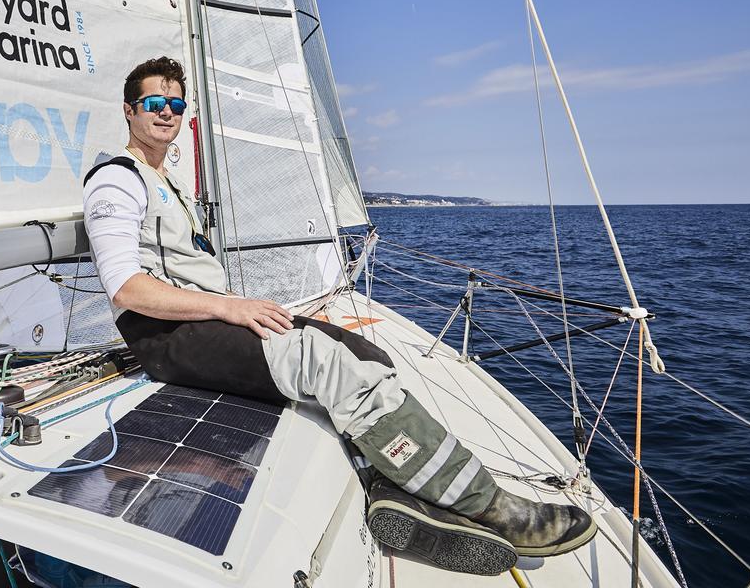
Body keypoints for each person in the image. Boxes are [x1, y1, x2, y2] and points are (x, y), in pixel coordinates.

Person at [82, 57, 597, 576]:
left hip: (202, 322)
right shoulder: (118, 181)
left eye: (175, 104)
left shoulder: (164, 180)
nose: (167, 112)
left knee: (364, 352)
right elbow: (125, 287)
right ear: (129, 110)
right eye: (154, 103)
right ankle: (490, 506)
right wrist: (229, 306)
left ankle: (392, 488)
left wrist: (231, 307)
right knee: (325, 362)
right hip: (166, 336)